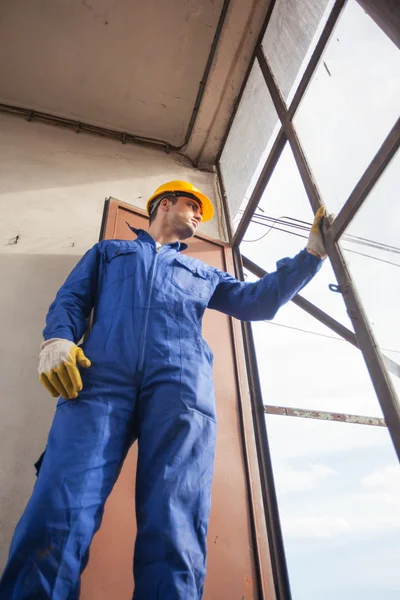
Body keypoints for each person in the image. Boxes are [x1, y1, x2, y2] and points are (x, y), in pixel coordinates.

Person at [0, 180, 326, 599]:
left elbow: (257, 302)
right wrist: (58, 339)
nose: (198, 216)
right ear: (165, 204)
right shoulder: (108, 252)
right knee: (60, 505)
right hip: (98, 381)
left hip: (180, 385)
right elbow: (71, 300)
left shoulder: (205, 272)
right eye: (193, 207)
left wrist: (311, 256)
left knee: (176, 517)